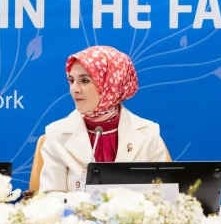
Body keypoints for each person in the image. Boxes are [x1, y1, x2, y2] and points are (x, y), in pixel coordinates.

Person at [38, 45, 169, 194]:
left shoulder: (148, 133)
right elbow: (51, 195)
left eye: (85, 81)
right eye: (72, 80)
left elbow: (162, 196)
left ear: (111, 83)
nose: (75, 89)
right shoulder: (56, 134)